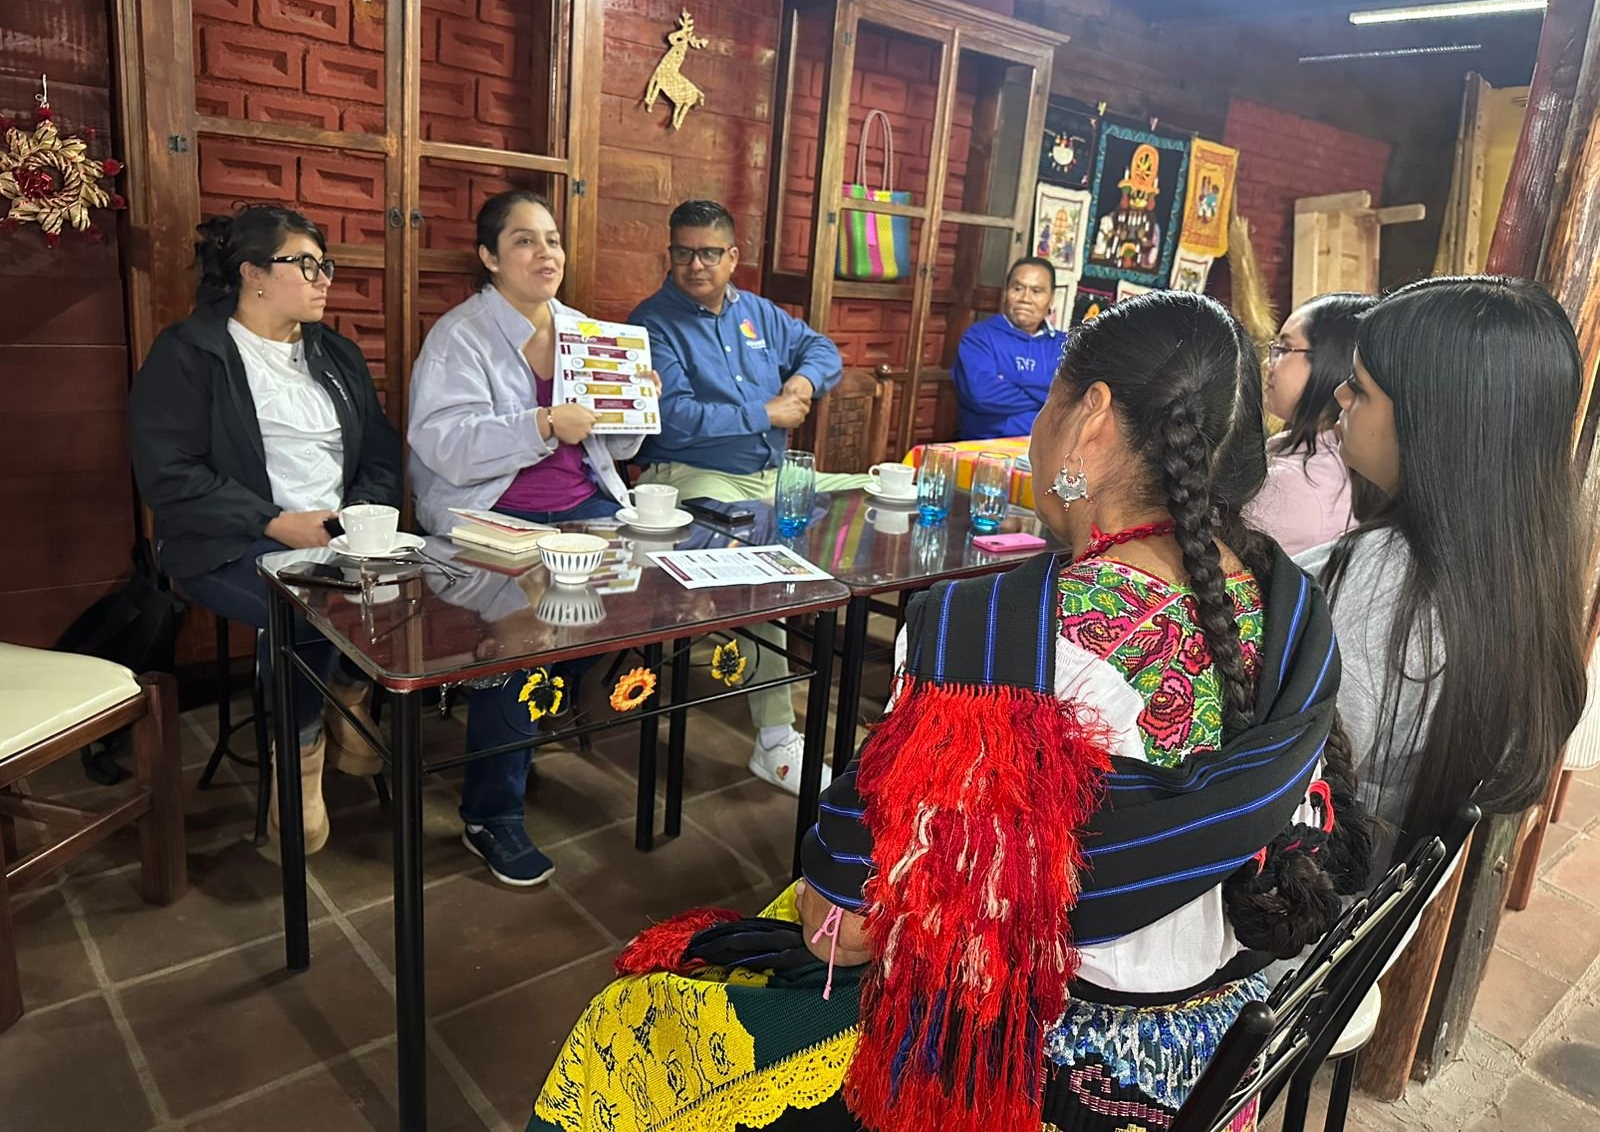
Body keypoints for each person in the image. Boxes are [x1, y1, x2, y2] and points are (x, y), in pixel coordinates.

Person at [531, 292, 1370, 1132]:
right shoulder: (1290, 607)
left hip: (1023, 1076)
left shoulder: (991, 641)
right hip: (1214, 1072)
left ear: (1091, 419)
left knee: (635, 1026)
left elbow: (846, 931)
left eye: (1049, 402)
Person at [129, 204, 402, 853]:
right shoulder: (190, 352)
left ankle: (347, 695)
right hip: (223, 542)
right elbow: (169, 474)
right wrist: (272, 521)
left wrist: (360, 516)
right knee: (306, 609)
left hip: (333, 535)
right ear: (252, 273)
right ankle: (299, 761)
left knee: (406, 583)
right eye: (304, 264)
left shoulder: (335, 352)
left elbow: (380, 453)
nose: (323, 278)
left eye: (325, 265)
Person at [1297, 275, 1587, 869]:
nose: (1341, 396)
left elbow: (1289, 793)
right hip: (1382, 880)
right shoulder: (1528, 565)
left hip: (1310, 893)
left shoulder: (1369, 590)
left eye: (1361, 387)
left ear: (1433, 422)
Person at [408, 190, 651, 887]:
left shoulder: (584, 331)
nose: (546, 253)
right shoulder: (460, 336)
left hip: (586, 511)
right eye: (524, 240)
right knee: (523, 635)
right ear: (489, 257)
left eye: (552, 239)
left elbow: (616, 447)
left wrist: (635, 402)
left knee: (653, 602)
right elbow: (441, 443)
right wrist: (541, 423)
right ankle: (492, 814)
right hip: (492, 519)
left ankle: (530, 717)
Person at [629, 199, 864, 796]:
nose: (696, 264)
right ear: (670, 254)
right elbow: (673, 419)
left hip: (774, 473)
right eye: (684, 252)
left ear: (733, 256)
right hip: (694, 476)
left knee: (874, 495)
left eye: (710, 252)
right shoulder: (652, 323)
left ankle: (899, 697)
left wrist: (803, 380)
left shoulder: (758, 313)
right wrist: (767, 412)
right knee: (758, 557)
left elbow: (822, 350)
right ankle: (776, 740)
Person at [1245, 293, 1375, 554]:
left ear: (1331, 361)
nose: (1267, 364)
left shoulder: (1298, 484)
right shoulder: (1341, 457)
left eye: (1284, 349)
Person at [951, 255, 1066, 439]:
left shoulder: (1066, 346)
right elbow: (982, 395)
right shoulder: (979, 337)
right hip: (987, 446)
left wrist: (1012, 382)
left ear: (1051, 298)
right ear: (1005, 293)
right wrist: (1049, 393)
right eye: (1018, 288)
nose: (1025, 298)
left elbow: (1073, 399)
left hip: (1049, 449)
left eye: (1036, 291)